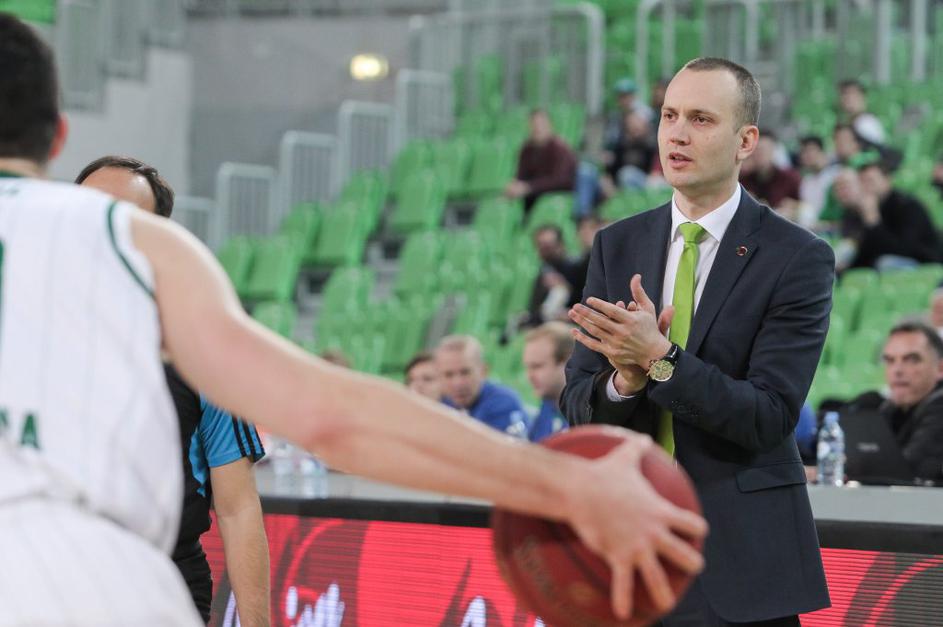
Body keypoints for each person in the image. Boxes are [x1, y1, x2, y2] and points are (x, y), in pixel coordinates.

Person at [0, 14, 708, 626]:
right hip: (95, 590)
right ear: (58, 138)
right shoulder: (131, 245)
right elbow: (331, 417)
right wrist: (561, 482)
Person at [562, 57, 832, 625]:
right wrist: (623, 382)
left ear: (745, 141)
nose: (677, 134)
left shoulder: (797, 257)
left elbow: (767, 415)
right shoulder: (616, 245)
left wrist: (657, 359)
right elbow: (578, 406)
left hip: (739, 566)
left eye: (702, 119)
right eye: (669, 116)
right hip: (628, 555)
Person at [76, 155, 271, 626]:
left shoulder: (203, 349)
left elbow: (237, 507)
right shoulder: (25, 329)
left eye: (124, 218)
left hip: (161, 588)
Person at [846, 321, 943, 483]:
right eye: (890, 360)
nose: (897, 370)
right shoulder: (891, 408)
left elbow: (907, 471)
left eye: (911, 359)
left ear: (940, 368)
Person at [844, 160, 941, 269]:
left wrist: (874, 223)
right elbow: (866, 250)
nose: (866, 187)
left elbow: (903, 249)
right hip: (889, 260)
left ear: (887, 180)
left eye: (870, 181)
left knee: (885, 262)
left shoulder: (907, 206)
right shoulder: (867, 208)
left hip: (923, 262)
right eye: (862, 182)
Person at [435, 335, 529, 438]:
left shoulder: (504, 404)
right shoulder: (440, 401)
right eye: (448, 375)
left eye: (465, 372)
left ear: (483, 371)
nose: (458, 383)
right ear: (438, 376)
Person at [504, 109, 577, 214]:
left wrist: (529, 187)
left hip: (556, 198)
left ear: (550, 125)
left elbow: (561, 180)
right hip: (533, 198)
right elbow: (521, 176)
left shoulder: (560, 149)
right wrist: (515, 186)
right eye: (534, 124)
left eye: (541, 124)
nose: (537, 128)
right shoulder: (526, 149)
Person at [523, 322, 573, 441]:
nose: (529, 376)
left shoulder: (590, 415)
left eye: (537, 366)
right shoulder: (547, 405)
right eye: (528, 367)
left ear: (567, 362)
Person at [738, 132, 802, 214]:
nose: (760, 154)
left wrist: (795, 207)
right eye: (757, 150)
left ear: (773, 150)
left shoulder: (790, 178)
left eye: (764, 150)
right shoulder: (743, 181)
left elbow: (805, 205)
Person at [797, 135, 840, 225]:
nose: (807, 155)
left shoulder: (836, 174)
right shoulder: (806, 181)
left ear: (822, 152)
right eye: (803, 152)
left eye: (810, 150)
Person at [837, 79, 886, 148]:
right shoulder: (847, 122)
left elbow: (877, 150)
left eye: (853, 95)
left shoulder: (866, 122)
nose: (848, 99)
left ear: (863, 97)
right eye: (844, 95)